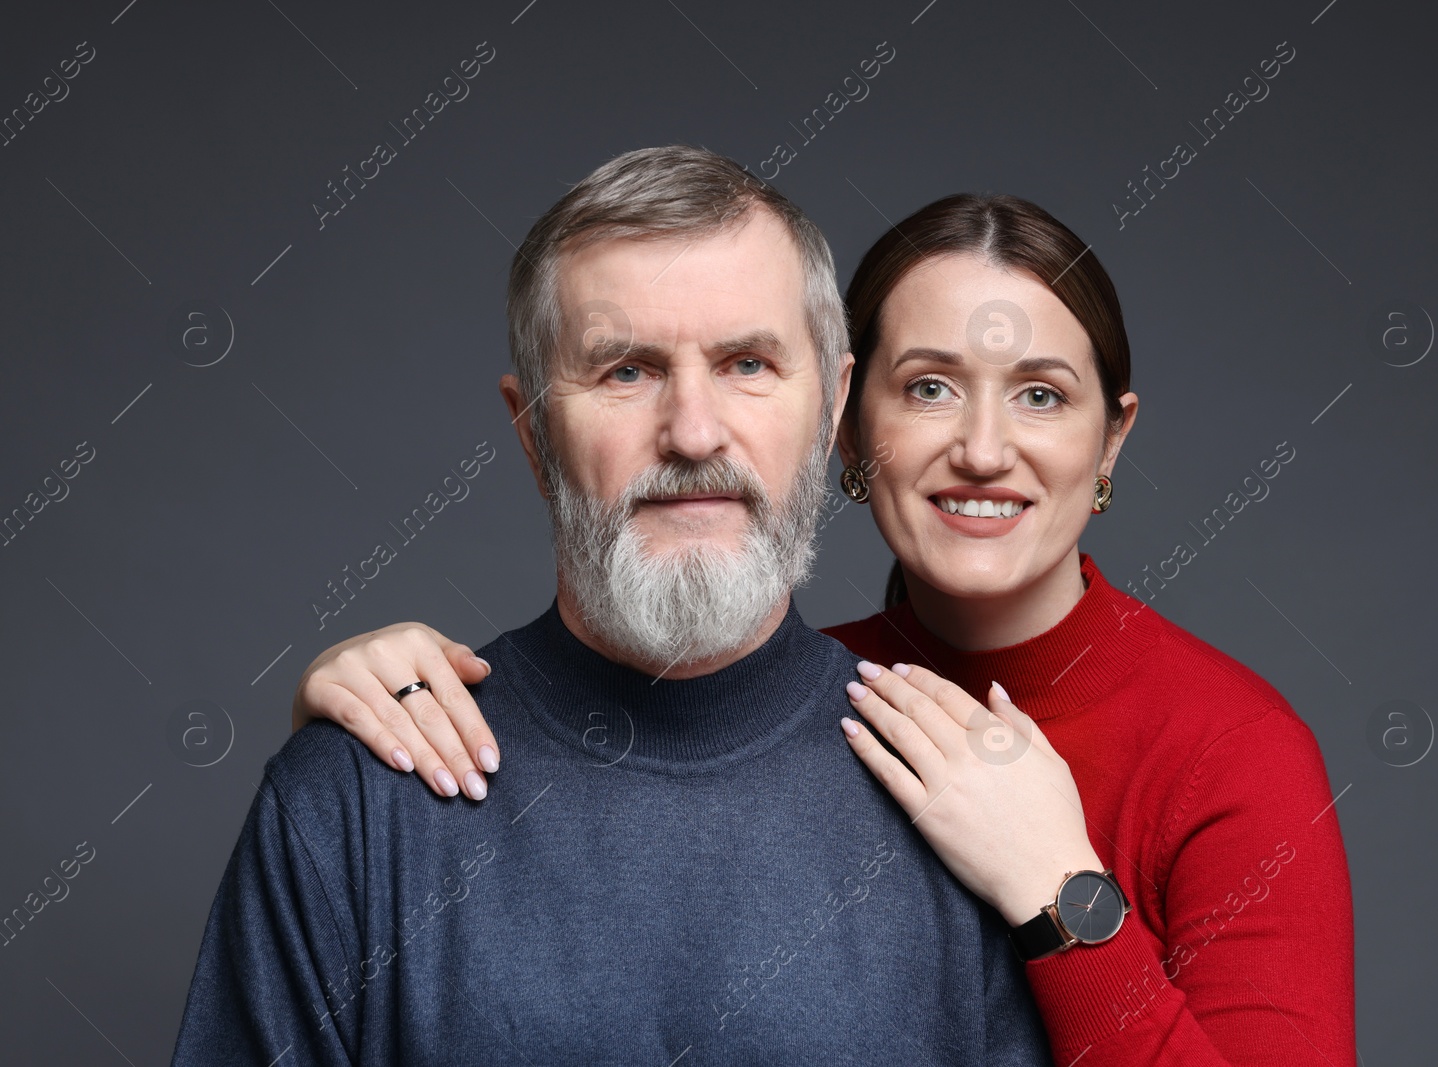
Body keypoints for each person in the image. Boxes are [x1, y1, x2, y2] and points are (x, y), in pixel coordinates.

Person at [293, 189, 1358, 1065]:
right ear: (847, 428)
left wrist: (1060, 890)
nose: (984, 449)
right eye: (930, 386)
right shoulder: (802, 688)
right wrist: (357, 736)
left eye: (1040, 395)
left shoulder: (1232, 747)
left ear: (1110, 440)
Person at [170, 146, 1054, 1066]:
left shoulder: (969, 803)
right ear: (534, 432)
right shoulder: (353, 803)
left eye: (747, 363)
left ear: (832, 406)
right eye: (626, 371)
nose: (693, 432)